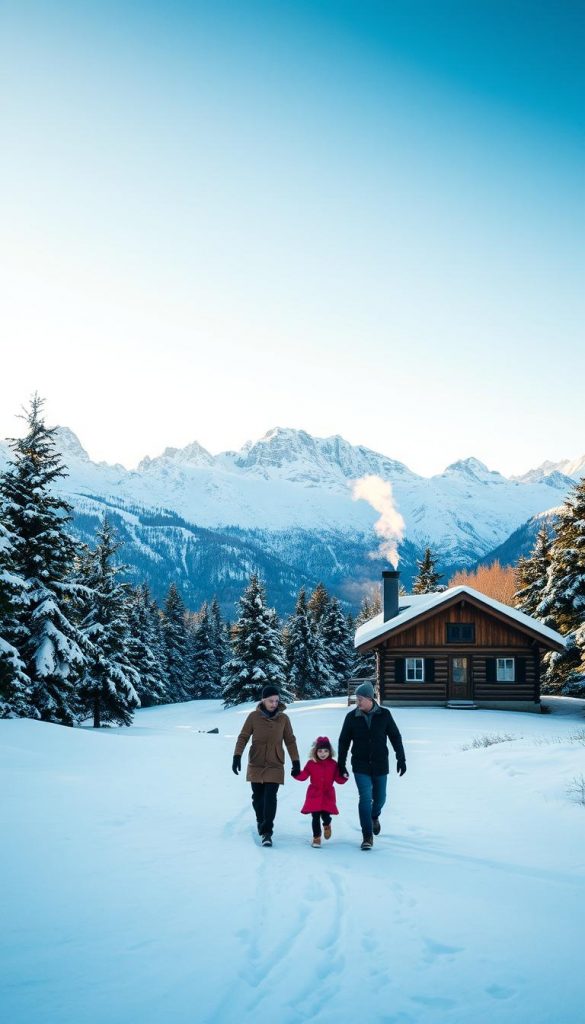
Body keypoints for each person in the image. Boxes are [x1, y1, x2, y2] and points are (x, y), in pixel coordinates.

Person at [337, 681, 406, 851]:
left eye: (360, 699)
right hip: (360, 764)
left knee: (380, 797)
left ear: (370, 699)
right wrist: (341, 764)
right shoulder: (351, 717)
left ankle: (374, 816)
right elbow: (343, 741)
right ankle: (367, 836)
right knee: (365, 798)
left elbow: (395, 737)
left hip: (380, 763)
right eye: (356, 699)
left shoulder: (384, 714)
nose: (357, 702)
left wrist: (401, 758)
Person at [232, 684, 300, 847]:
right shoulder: (253, 717)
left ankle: (267, 831)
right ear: (263, 700)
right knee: (258, 797)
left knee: (270, 797)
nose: (274, 704)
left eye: (276, 701)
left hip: (275, 763)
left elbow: (290, 741)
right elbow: (243, 737)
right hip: (256, 762)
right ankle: (261, 821)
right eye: (271, 701)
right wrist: (237, 756)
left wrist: (296, 761)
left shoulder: (284, 719)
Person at [293, 736, 347, 847]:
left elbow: (338, 779)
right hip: (314, 794)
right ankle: (316, 837)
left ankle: (327, 824)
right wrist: (296, 773)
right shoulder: (311, 763)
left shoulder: (333, 764)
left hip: (327, 794)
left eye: (326, 751)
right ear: (315, 751)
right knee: (315, 816)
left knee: (325, 815)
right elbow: (303, 776)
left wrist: (344, 776)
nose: (323, 753)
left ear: (330, 752)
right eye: (320, 751)